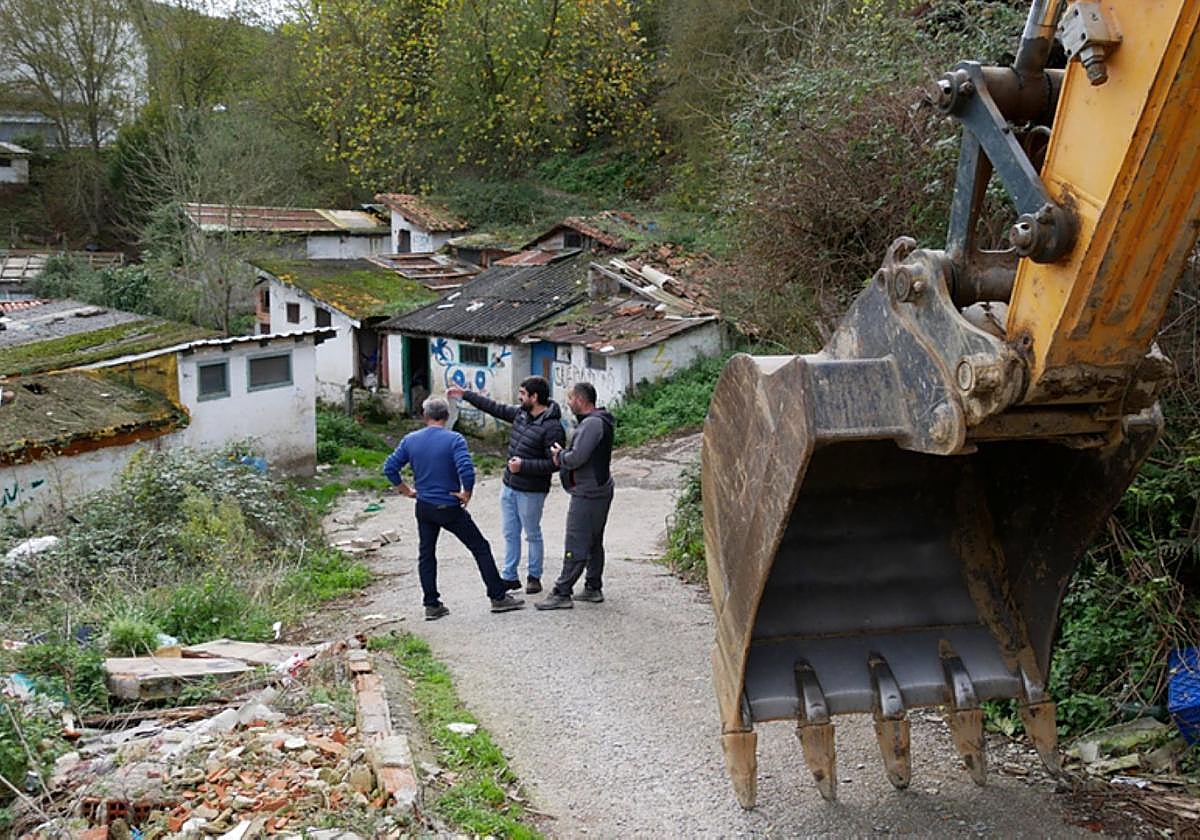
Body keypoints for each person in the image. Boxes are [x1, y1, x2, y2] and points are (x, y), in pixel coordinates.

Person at [382, 396, 525, 619]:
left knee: (426, 554)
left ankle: (432, 605)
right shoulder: (454, 439)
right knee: (479, 547)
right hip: (448, 505)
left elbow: (390, 468)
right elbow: (466, 469)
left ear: (425, 416)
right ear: (447, 417)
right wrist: (466, 492)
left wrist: (407, 490)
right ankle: (498, 597)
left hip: (425, 506)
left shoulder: (411, 440)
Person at [447, 377, 565, 594]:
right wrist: (465, 394)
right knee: (510, 532)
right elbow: (494, 408)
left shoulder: (553, 427)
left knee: (532, 533)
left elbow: (555, 463)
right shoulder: (521, 414)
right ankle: (509, 576)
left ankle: (534, 576)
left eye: (522, 393)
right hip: (509, 485)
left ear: (534, 397)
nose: (519, 397)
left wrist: (524, 465)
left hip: (532, 490)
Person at [537, 382, 615, 610]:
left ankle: (562, 592)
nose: (568, 403)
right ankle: (592, 587)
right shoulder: (600, 421)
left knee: (576, 540)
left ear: (580, 400)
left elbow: (577, 457)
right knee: (593, 540)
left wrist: (559, 456)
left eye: (570, 398)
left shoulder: (591, 425)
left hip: (589, 493)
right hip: (597, 490)